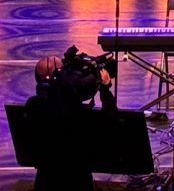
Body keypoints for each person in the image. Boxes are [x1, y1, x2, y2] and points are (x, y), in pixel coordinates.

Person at [23, 48, 117, 190]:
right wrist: (105, 91)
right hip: (78, 182)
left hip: (45, 182)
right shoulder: (79, 115)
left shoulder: (32, 107)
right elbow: (110, 125)